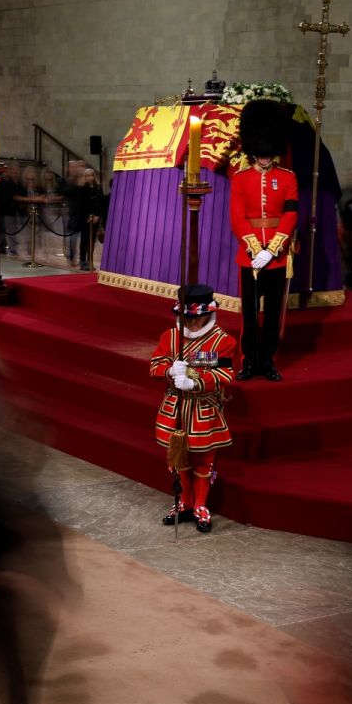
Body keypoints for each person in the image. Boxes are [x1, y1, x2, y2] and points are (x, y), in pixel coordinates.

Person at [150, 284, 235, 533]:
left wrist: (194, 381)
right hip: (175, 409)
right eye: (188, 318)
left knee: (204, 460)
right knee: (178, 459)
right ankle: (184, 502)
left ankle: (200, 504)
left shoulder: (223, 341)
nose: (193, 324)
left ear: (208, 314)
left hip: (203, 409)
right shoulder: (171, 337)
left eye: (198, 319)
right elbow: (155, 364)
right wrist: (168, 370)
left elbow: (225, 374)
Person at [231, 99, 298, 382]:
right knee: (249, 316)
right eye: (260, 153)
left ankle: (268, 360)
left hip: (277, 257)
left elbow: (291, 215)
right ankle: (249, 361)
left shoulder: (287, 178)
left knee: (272, 315)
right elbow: (237, 217)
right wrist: (255, 248)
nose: (265, 158)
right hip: (249, 256)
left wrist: (271, 251)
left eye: (268, 153)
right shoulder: (240, 178)